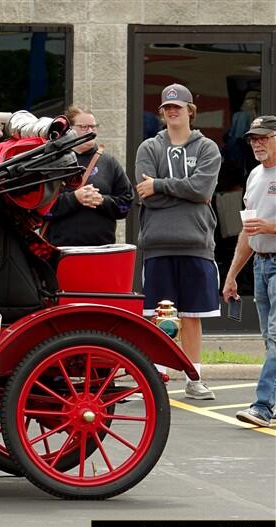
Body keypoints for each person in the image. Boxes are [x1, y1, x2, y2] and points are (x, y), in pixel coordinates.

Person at [135, 83, 221, 400]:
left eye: (178, 107)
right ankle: (159, 375)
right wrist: (182, 192)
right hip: (158, 242)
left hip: (196, 241)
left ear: (190, 111)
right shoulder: (149, 148)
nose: (172, 112)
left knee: (192, 315)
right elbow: (146, 197)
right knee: (160, 316)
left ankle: (194, 376)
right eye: (167, 108)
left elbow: (202, 190)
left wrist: (160, 185)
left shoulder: (207, 148)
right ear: (162, 112)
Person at [222, 115, 276, 427]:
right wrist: (231, 276)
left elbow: (260, 226)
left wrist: (269, 226)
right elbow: (247, 231)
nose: (257, 143)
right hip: (260, 262)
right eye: (253, 139)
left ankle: (263, 407)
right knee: (269, 339)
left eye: (263, 137)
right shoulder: (255, 175)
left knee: (274, 336)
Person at [45, 105, 133, 246]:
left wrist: (102, 201)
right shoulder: (53, 162)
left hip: (102, 250)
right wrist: (75, 198)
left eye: (93, 126)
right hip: (62, 250)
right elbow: (41, 209)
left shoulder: (108, 162)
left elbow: (126, 204)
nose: (91, 131)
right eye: (84, 127)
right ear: (69, 129)